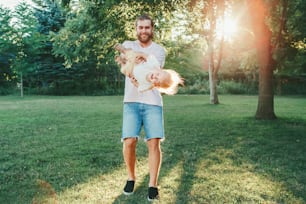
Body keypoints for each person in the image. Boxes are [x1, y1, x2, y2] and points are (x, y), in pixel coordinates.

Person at [119, 14, 169, 201]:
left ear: (152, 29)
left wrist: (138, 60)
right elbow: (125, 64)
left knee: (153, 143)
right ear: (136, 29)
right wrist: (131, 68)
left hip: (153, 103)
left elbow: (154, 71)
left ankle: (153, 184)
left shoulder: (159, 50)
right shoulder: (128, 44)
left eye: (147, 27)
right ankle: (131, 177)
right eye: (140, 27)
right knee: (129, 141)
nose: (143, 31)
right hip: (131, 101)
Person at [114, 43, 183, 95]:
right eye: (158, 74)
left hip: (131, 71)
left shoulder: (148, 86)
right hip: (136, 62)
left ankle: (121, 62)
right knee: (131, 54)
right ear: (159, 70)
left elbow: (140, 87)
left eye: (157, 80)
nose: (155, 77)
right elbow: (148, 56)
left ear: (156, 85)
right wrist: (140, 54)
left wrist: (134, 82)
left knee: (123, 70)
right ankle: (123, 49)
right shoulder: (154, 65)